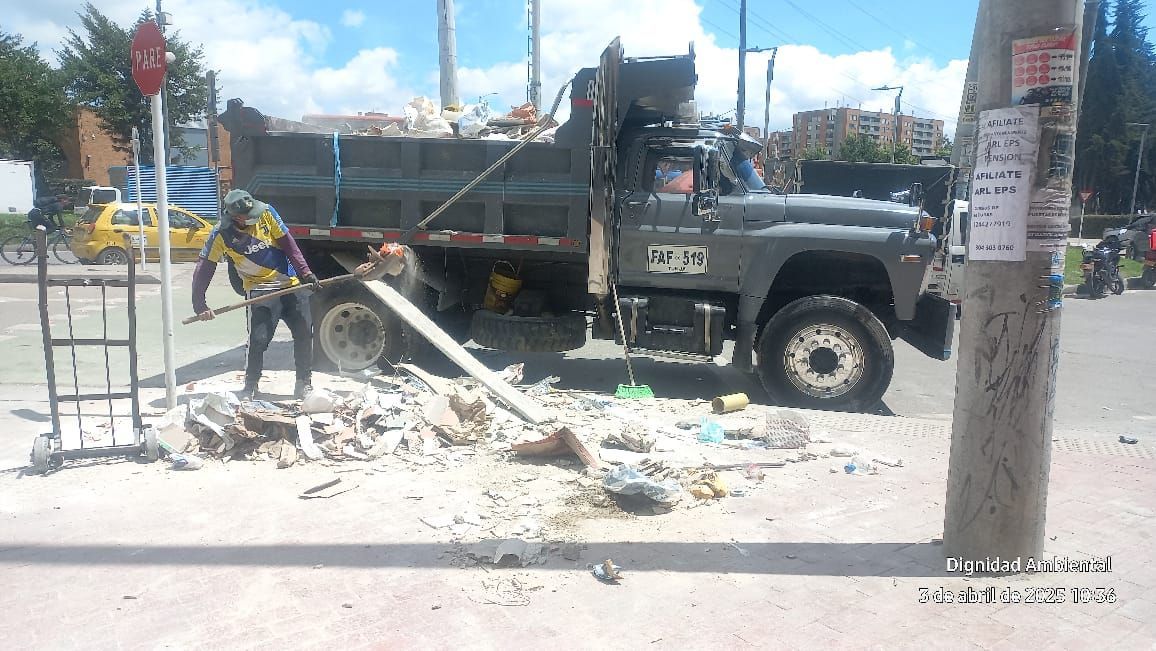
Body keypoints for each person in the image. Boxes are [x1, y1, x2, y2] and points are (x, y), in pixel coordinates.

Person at [191, 190, 322, 400]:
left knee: (304, 333)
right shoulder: (221, 234)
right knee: (259, 340)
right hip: (260, 290)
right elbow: (205, 267)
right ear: (237, 217)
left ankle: (303, 383)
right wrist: (200, 304)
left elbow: (289, 244)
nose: (255, 215)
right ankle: (250, 386)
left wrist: (305, 273)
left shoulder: (267, 213)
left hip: (291, 284)